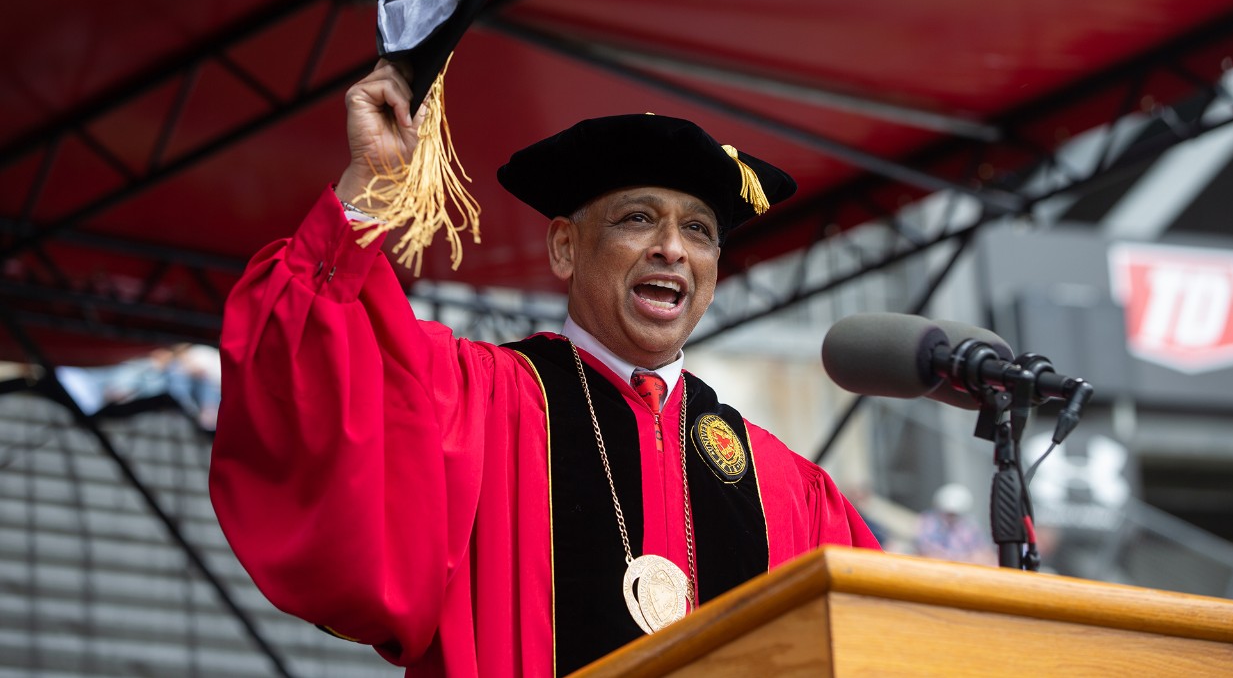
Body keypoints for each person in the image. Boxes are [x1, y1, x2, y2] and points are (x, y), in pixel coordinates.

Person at [209, 60, 881, 678]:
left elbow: (885, 637)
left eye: (699, 230)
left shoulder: (784, 489)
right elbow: (304, 362)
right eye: (638, 218)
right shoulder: (472, 402)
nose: (672, 248)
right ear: (565, 247)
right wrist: (368, 189)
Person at [915, 483, 996, 566]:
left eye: (954, 514)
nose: (950, 518)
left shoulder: (969, 525)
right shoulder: (928, 523)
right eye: (948, 513)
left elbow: (985, 554)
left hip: (964, 570)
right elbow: (928, 554)